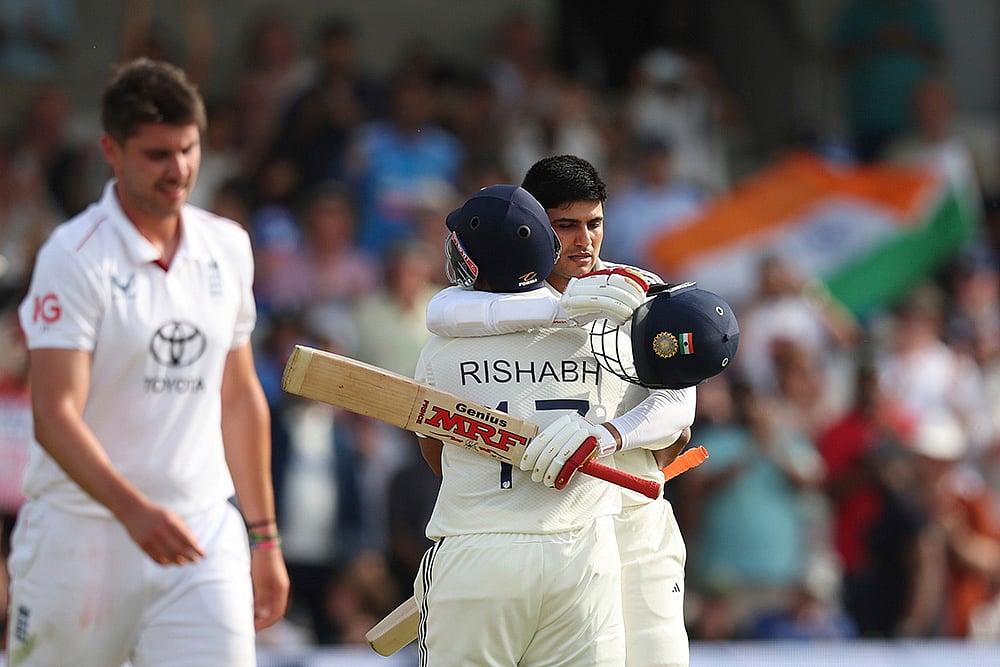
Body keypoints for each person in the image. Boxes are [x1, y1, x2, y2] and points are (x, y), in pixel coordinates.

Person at [7, 58, 289, 666]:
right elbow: (53, 415)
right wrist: (135, 512)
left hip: (202, 533)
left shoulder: (228, 246)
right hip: (81, 537)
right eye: (157, 154)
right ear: (111, 150)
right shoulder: (73, 255)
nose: (179, 169)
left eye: (188, 149)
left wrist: (264, 536)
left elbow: (238, 397)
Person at [423, 156, 739, 666]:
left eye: (594, 224)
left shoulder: (637, 291)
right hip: (544, 531)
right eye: (565, 226)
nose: (584, 241)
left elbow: (679, 405)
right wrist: (558, 307)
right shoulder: (489, 301)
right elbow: (441, 313)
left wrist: (608, 434)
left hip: (633, 522)